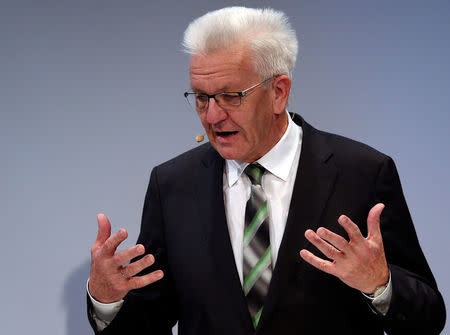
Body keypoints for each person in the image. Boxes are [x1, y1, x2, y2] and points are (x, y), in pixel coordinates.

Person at [86, 7, 446, 335]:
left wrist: (380, 286)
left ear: (278, 92)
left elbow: (428, 317)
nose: (212, 116)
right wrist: (107, 301)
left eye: (231, 96)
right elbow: (148, 322)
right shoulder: (172, 185)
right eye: (201, 97)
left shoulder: (362, 173)